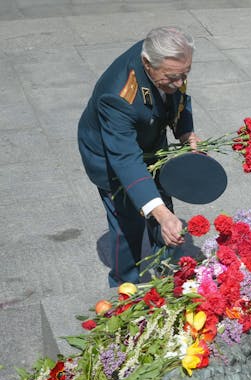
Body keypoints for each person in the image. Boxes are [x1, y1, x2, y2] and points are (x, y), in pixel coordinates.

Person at [78, 26, 198, 287]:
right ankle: (125, 287)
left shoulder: (167, 60)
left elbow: (177, 98)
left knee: (162, 202)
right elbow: (126, 160)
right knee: (128, 221)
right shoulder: (117, 95)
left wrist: (186, 131)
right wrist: (161, 214)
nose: (179, 83)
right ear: (147, 63)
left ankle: (169, 274)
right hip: (110, 155)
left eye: (184, 75)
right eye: (172, 77)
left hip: (147, 136)